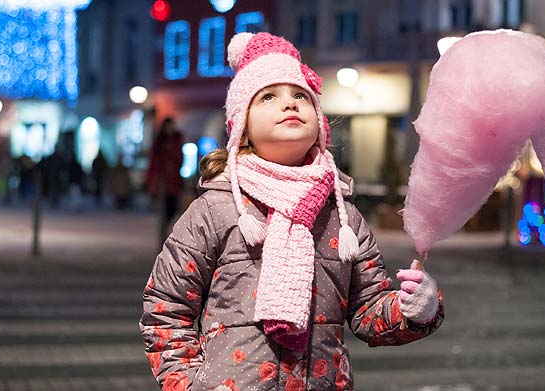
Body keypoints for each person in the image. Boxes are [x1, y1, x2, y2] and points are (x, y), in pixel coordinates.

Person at [139, 33, 443, 391]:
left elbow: (367, 310)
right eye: (269, 96)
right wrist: (189, 384)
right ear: (242, 128)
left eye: (301, 96)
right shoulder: (215, 209)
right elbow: (166, 309)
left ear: (319, 123)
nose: (290, 105)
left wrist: (415, 309)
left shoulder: (342, 215)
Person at [146, 117, 184, 225]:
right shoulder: (159, 142)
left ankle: (167, 229)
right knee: (164, 210)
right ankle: (164, 234)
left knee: (174, 208)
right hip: (162, 181)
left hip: (175, 180)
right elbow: (154, 163)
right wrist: (152, 182)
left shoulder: (177, 140)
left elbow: (180, 159)